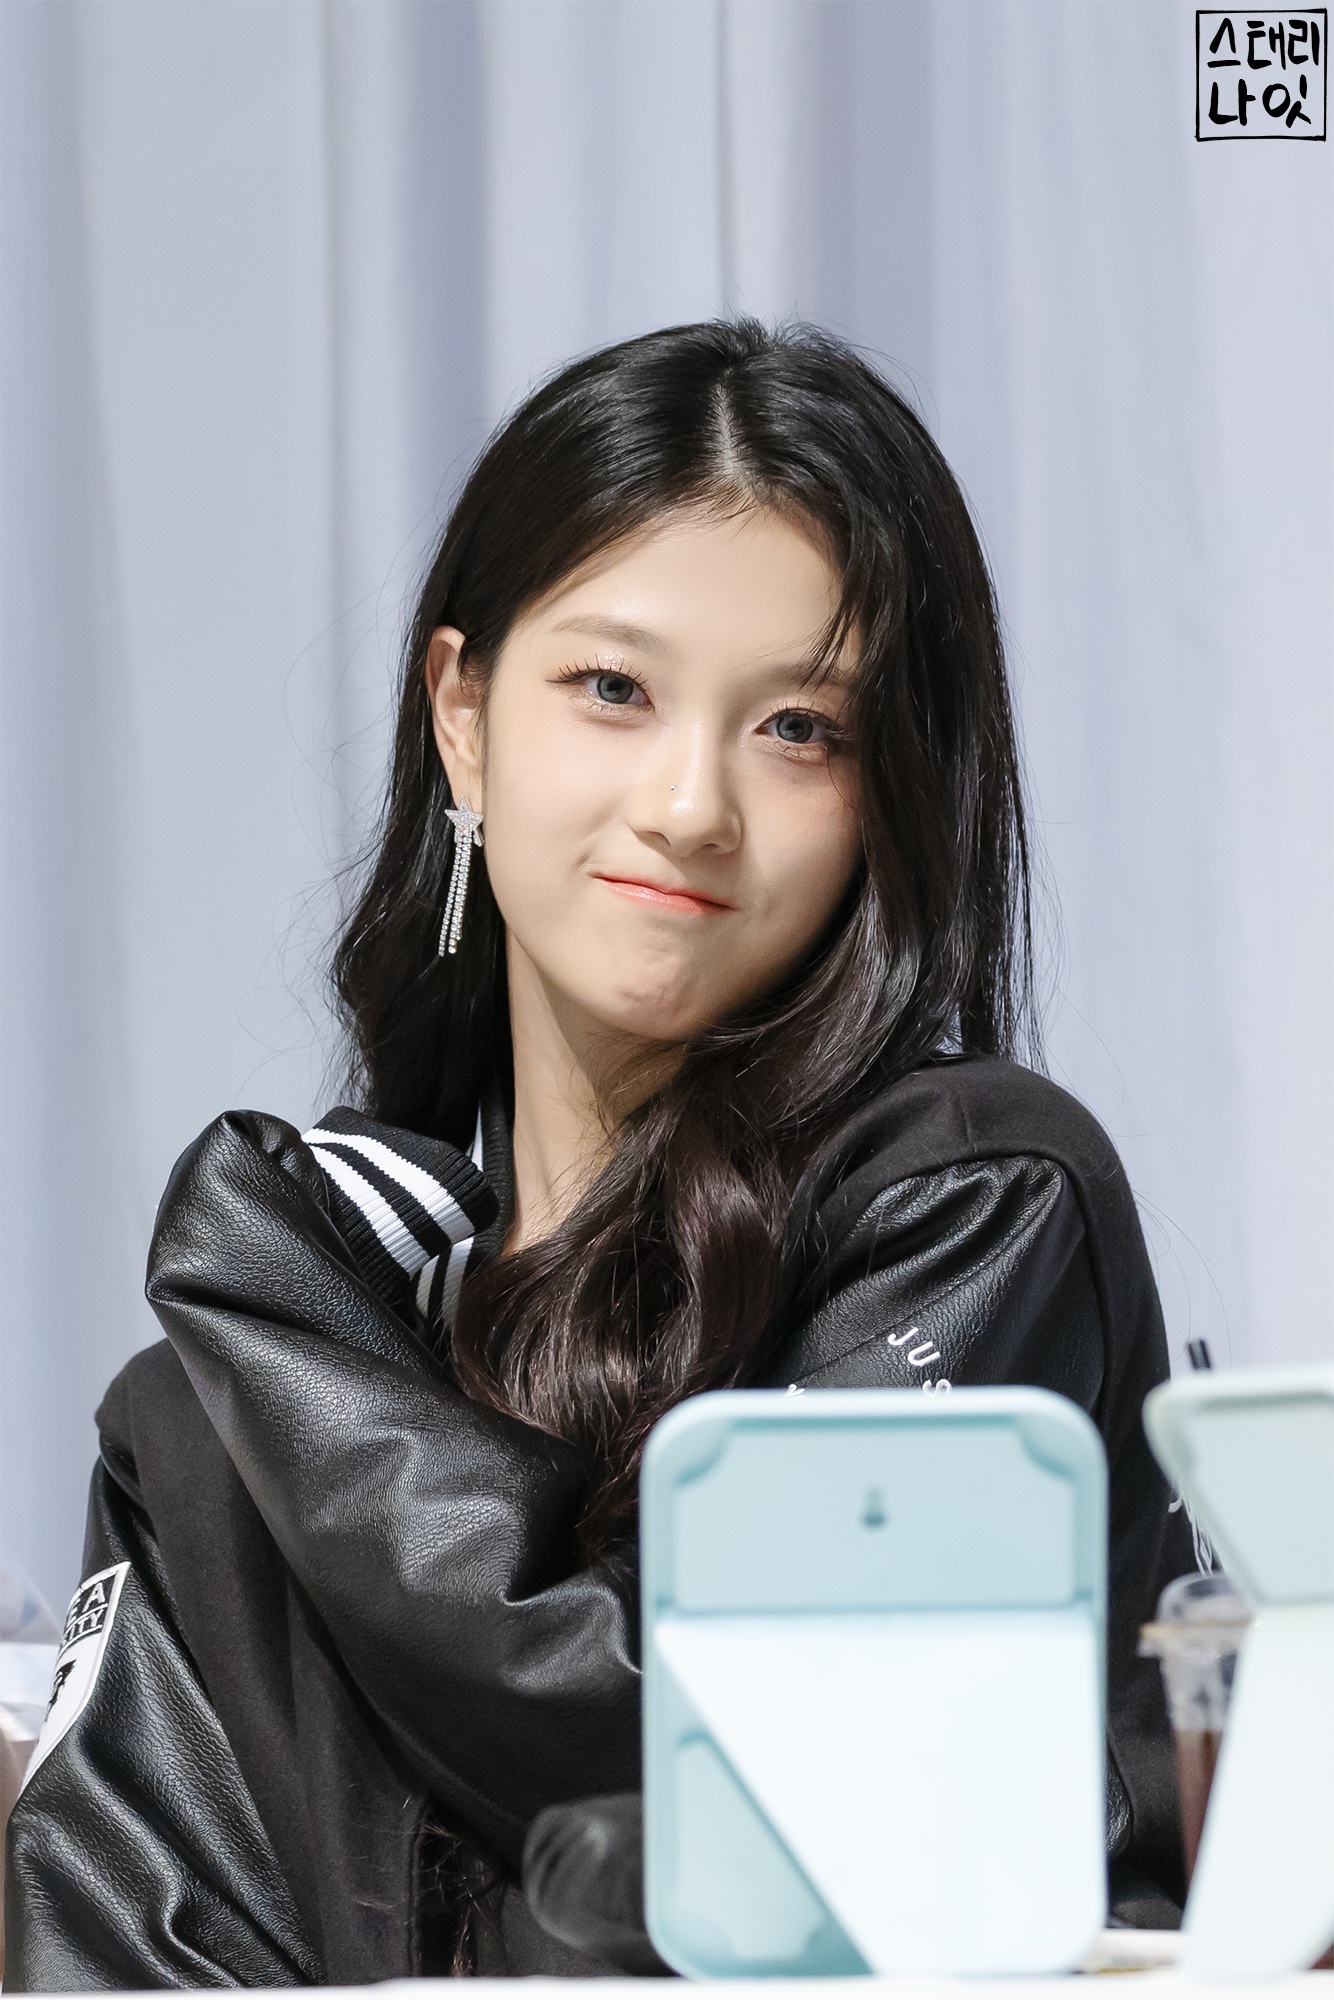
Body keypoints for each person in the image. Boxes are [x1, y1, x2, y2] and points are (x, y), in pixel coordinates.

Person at [5, 321, 1192, 1988]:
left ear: (888, 792)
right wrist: (276, 1332)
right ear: (463, 714)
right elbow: (110, 1946)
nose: (690, 804)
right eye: (613, 691)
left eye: (800, 728)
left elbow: (718, 1788)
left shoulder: (968, 1206)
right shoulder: (220, 1404)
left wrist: (268, 1312)